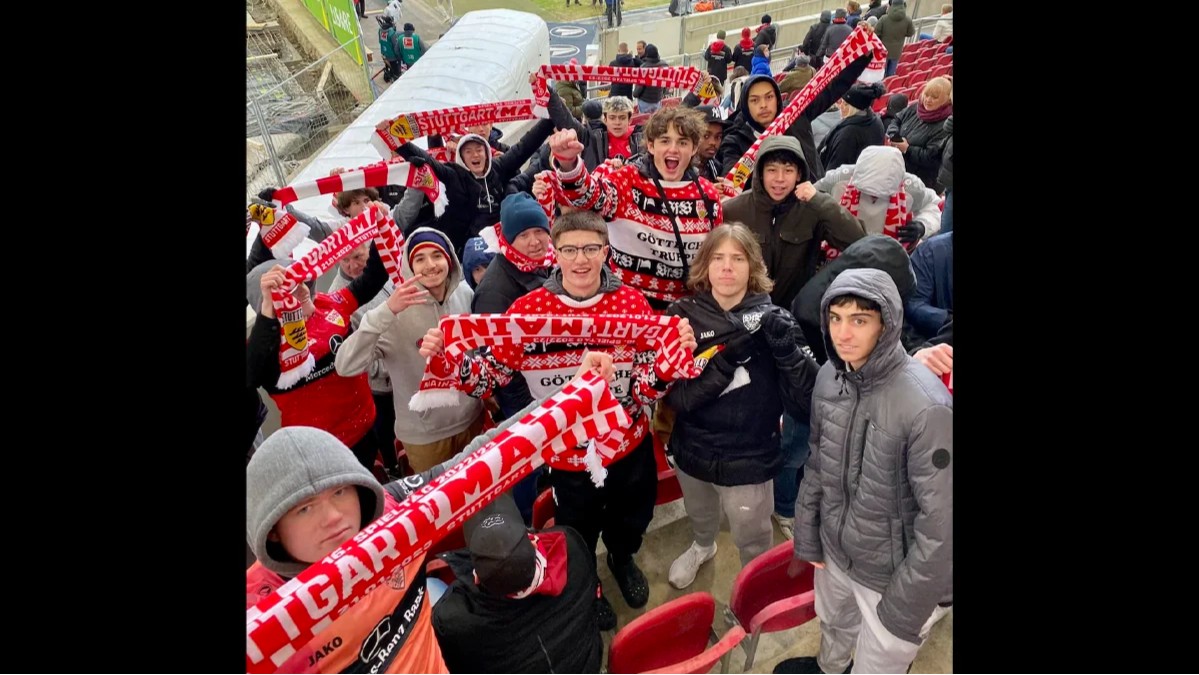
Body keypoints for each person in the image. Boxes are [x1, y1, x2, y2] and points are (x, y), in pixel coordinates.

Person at [418, 210, 697, 627]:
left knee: (632, 517)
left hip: (628, 444)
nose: (580, 259)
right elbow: (490, 376)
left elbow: (643, 388)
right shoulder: (527, 312)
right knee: (578, 530)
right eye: (569, 249)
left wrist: (666, 365)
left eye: (590, 248)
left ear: (605, 251)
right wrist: (447, 356)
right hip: (567, 455)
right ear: (556, 253)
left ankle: (623, 560)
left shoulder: (632, 305)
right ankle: (591, 584)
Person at [775, 268, 952, 675]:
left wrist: (903, 609)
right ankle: (829, 668)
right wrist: (810, 535)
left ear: (886, 325)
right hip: (836, 552)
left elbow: (942, 527)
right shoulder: (828, 377)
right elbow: (817, 463)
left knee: (879, 662)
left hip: (892, 576)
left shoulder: (927, 407)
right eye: (835, 318)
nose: (844, 333)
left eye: (859, 320)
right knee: (834, 625)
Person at [664, 224, 818, 588]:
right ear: (704, 265)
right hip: (693, 447)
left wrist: (787, 350)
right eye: (718, 258)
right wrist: (726, 359)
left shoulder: (776, 318)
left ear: (753, 267)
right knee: (699, 513)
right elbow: (674, 396)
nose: (727, 267)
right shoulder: (681, 314)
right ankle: (703, 546)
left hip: (750, 455)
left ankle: (755, 581)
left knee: (752, 534)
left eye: (738, 258)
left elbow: (809, 400)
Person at [245, 426, 447, 673]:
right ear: (273, 530)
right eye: (305, 509)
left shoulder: (391, 513)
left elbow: (480, 458)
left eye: (339, 491)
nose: (333, 517)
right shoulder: (259, 617)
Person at [334, 227, 487, 472]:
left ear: (449, 258)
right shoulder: (392, 312)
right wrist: (385, 312)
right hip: (425, 437)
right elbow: (345, 366)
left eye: (437, 255)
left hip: (472, 421)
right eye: (419, 258)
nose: (430, 265)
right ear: (408, 265)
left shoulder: (464, 293)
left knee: (484, 499)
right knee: (443, 507)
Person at [541, 106, 724, 311]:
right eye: (665, 141)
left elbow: (714, 253)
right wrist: (569, 164)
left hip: (686, 311)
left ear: (693, 148)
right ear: (651, 145)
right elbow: (588, 197)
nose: (673, 149)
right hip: (629, 308)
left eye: (682, 142)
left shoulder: (708, 194)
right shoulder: (626, 181)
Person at [245, 224, 390, 471]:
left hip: (366, 427)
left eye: (301, 282)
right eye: (287, 291)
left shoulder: (329, 303)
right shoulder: (265, 341)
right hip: (321, 454)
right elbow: (251, 376)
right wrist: (268, 309)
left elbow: (375, 276)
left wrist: (380, 229)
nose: (301, 291)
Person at [431, 492, 604, 673]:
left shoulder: (452, 618)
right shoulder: (570, 547)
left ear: (475, 577)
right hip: (587, 666)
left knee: (430, 585)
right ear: (535, 544)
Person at [722, 135, 865, 311]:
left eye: (788, 170)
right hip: (744, 313)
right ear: (760, 173)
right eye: (772, 170)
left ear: (799, 174)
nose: (780, 179)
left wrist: (821, 201)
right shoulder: (733, 210)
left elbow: (857, 241)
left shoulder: (813, 208)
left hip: (796, 315)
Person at [887, 77, 952, 191]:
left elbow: (932, 158)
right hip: (898, 170)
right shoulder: (916, 107)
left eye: (934, 97)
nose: (928, 100)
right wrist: (894, 135)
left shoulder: (946, 125)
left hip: (922, 182)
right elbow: (897, 119)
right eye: (926, 95)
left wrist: (907, 149)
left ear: (946, 100)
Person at [818, 82, 886, 173]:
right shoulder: (877, 121)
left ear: (855, 108)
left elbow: (834, 172)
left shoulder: (848, 135)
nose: (841, 106)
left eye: (846, 104)